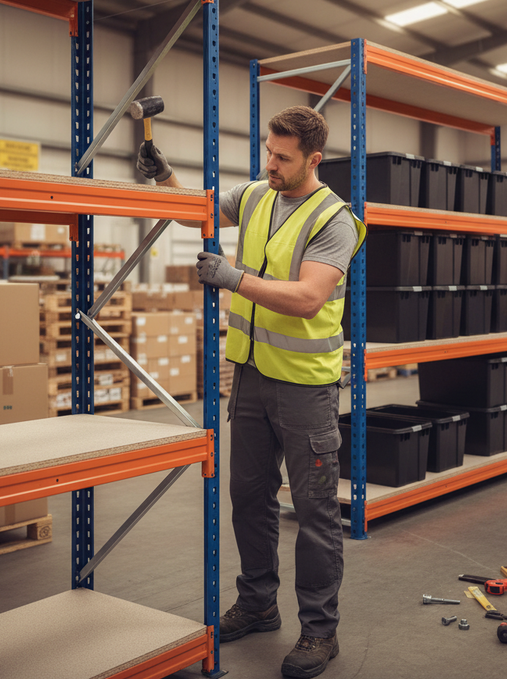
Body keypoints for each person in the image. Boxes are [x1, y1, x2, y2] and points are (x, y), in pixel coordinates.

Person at [137, 105, 366, 679]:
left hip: (307, 389)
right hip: (252, 376)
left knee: (313, 513)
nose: (270, 163)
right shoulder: (260, 194)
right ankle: (259, 600)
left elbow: (310, 298)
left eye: (282, 157)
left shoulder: (335, 219)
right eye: (268, 150)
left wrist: (232, 278)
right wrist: (165, 177)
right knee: (249, 497)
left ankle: (319, 630)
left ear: (313, 160)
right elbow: (201, 211)